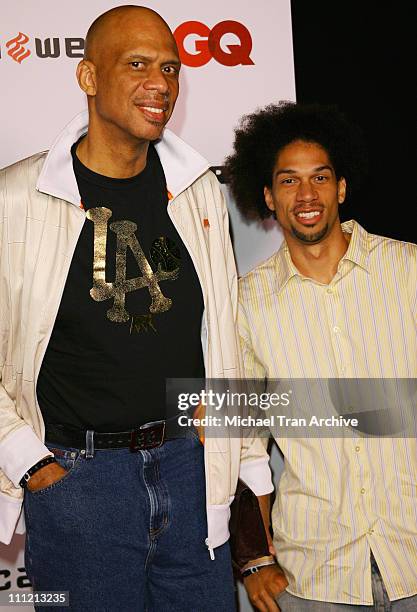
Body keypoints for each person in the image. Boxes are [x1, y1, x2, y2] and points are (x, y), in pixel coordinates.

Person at [0, 6, 273, 611]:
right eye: (138, 64)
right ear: (89, 78)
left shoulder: (199, 188)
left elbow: (226, 337)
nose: (162, 83)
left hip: (191, 466)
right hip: (78, 481)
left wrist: (240, 460)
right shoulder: (14, 198)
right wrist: (28, 460)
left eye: (171, 68)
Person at [226, 102, 417, 611]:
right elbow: (242, 439)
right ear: (267, 195)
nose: (306, 194)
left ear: (342, 188)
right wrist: (253, 557)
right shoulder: (247, 302)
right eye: (288, 181)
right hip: (315, 573)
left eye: (320, 177)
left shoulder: (407, 270)